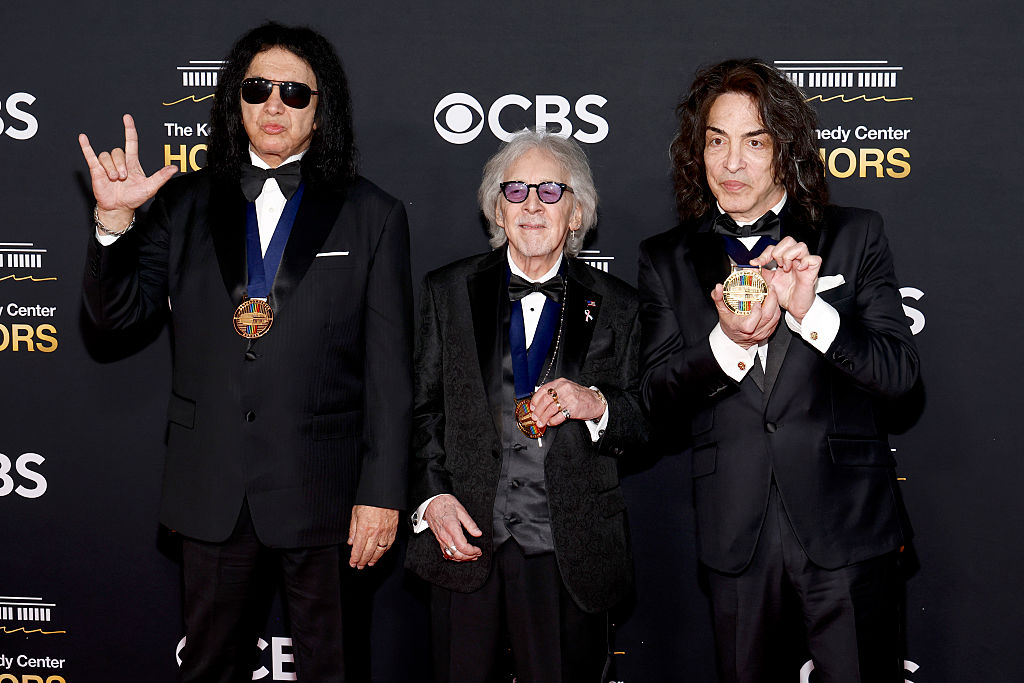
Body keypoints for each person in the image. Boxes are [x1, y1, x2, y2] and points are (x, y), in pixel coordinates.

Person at [79, 22, 412, 681]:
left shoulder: (373, 214)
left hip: (328, 497)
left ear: (323, 109)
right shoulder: (182, 202)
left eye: (294, 91)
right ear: (236, 100)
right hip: (212, 491)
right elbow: (113, 321)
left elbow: (392, 371)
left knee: (335, 669)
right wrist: (114, 223)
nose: (274, 105)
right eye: (258, 89)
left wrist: (382, 492)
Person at [638, 58, 919, 682]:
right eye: (716, 141)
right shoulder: (666, 259)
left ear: (785, 150)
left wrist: (810, 310)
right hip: (736, 534)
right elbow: (653, 397)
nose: (731, 163)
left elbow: (900, 376)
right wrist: (727, 344)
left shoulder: (852, 235)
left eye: (753, 142)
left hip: (847, 525)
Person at [405, 129, 647, 682]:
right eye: (515, 191)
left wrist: (597, 405)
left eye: (550, 191)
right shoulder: (447, 291)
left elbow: (643, 420)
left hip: (569, 553)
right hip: (463, 543)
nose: (532, 205)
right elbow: (420, 412)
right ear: (496, 207)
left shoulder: (620, 307)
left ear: (576, 212)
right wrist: (432, 500)